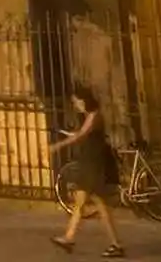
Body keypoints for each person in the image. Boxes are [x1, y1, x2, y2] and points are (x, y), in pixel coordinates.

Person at [49, 85, 124, 257]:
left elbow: (82, 135)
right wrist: (71, 135)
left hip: (95, 163)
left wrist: (58, 145)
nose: (76, 105)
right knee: (87, 202)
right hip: (90, 162)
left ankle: (114, 244)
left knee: (95, 202)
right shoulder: (89, 116)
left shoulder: (94, 115)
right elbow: (83, 134)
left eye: (76, 101)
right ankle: (70, 238)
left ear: (84, 100)